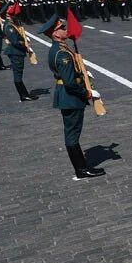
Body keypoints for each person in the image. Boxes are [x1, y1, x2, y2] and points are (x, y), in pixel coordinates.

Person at [44, 14, 105, 179]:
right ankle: (81, 169)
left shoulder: (60, 49)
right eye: (62, 28)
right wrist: (87, 92)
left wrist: (82, 73)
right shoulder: (62, 54)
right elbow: (70, 83)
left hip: (67, 96)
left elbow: (69, 74)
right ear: (55, 34)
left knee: (72, 133)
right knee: (72, 135)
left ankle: (81, 167)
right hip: (70, 98)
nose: (65, 29)